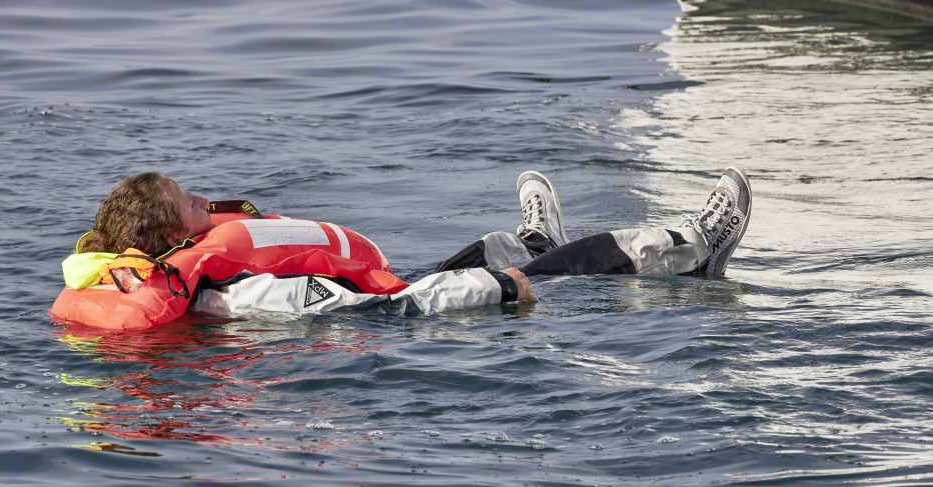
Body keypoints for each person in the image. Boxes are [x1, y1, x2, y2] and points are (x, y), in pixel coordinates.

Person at [75, 168, 751, 318]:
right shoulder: (233, 289)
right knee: (566, 274)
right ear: (170, 236)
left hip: (380, 303)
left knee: (467, 261)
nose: (209, 203)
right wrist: (494, 290)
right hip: (405, 328)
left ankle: (531, 241)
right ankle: (695, 245)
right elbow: (356, 311)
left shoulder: (180, 275)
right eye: (193, 204)